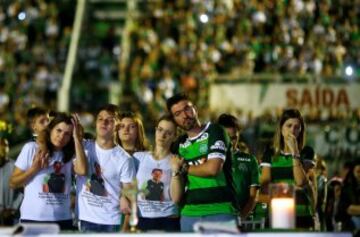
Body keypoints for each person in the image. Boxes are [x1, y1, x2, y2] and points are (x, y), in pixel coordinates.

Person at [166, 93, 236, 232]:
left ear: (195, 109)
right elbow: (176, 197)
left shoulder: (215, 130)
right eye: (178, 113)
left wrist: (184, 167)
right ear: (174, 120)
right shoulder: (177, 145)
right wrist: (176, 172)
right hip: (189, 213)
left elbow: (213, 169)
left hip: (221, 210)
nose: (184, 115)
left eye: (187, 109)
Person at [9, 113, 87, 230]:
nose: (61, 136)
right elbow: (13, 183)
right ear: (51, 129)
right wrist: (34, 169)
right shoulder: (31, 148)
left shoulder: (70, 154)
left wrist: (77, 138)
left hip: (63, 220)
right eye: (58, 131)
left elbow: (82, 170)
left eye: (67, 134)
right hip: (33, 219)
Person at [76, 104, 136, 232]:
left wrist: (124, 230)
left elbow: (131, 199)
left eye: (110, 119)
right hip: (84, 219)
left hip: (111, 222)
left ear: (117, 126)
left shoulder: (125, 159)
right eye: (100, 118)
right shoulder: (83, 147)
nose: (104, 122)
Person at [260, 108, 315, 229]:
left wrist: (294, 152)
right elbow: (265, 185)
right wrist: (287, 189)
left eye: (297, 127)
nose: (292, 130)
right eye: (289, 126)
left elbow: (300, 181)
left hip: (301, 213)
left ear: (301, 130)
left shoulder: (306, 152)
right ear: (281, 128)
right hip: (277, 212)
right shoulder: (270, 153)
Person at [133, 114, 180, 231]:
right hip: (142, 218)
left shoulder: (177, 161)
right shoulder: (138, 158)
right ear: (155, 131)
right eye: (160, 130)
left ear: (175, 136)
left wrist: (176, 170)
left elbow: (176, 198)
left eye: (168, 132)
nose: (162, 135)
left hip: (168, 220)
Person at [217, 113, 260, 221]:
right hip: (214, 218)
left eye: (234, 138)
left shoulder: (250, 160)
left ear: (239, 135)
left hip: (242, 220)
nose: (231, 143)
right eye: (226, 138)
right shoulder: (210, 159)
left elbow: (253, 196)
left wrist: (241, 218)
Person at [114, 111, 149, 231]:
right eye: (122, 126)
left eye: (131, 126)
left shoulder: (147, 157)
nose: (126, 130)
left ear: (138, 130)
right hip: (112, 212)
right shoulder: (111, 154)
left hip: (141, 213)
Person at [0, 135, 22, 226]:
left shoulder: (15, 167)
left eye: (5, 146)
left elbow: (22, 191)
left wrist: (13, 209)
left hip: (11, 217)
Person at [337, 159, 360, 234]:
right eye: (358, 171)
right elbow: (347, 209)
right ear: (353, 172)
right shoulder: (347, 189)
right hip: (349, 229)